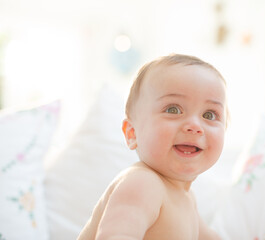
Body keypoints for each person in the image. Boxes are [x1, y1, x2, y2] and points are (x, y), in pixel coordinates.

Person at [77, 53, 228, 240]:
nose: (195, 126)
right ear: (132, 133)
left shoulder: (186, 199)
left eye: (210, 115)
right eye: (173, 109)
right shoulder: (142, 183)